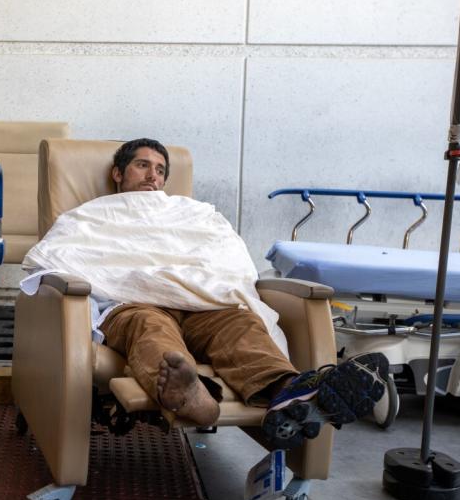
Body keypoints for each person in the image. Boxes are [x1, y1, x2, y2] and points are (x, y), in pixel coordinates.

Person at [94, 138, 385, 448]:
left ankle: (289, 390)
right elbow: (58, 261)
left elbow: (228, 259)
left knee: (239, 323)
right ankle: (190, 394)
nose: (153, 175)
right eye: (143, 165)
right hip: (135, 302)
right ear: (117, 173)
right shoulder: (92, 216)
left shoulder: (191, 214)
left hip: (202, 303)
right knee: (151, 328)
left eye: (161, 170)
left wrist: (210, 284)